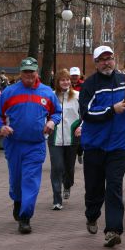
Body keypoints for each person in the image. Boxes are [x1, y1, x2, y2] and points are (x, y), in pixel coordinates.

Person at [79, 45, 125, 248]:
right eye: (102, 59)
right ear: (96, 63)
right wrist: (111, 110)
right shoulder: (90, 85)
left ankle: (113, 230)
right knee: (94, 189)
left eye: (110, 58)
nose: (107, 62)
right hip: (94, 146)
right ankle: (92, 214)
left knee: (115, 188)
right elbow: (86, 114)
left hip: (118, 145)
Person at [0, 57, 62, 234]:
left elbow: (57, 112)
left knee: (30, 181)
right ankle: (18, 202)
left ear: (36, 72)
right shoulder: (9, 92)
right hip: (14, 144)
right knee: (16, 180)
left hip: (35, 145)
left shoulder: (47, 92)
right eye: (25, 72)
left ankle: (25, 218)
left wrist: (52, 122)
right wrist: (1, 127)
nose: (29, 75)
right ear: (20, 73)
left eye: (32, 72)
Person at [48, 69, 81, 210]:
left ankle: (67, 185)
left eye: (67, 79)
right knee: (57, 167)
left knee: (69, 169)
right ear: (57, 82)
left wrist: (82, 128)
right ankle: (57, 198)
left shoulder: (77, 96)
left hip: (72, 138)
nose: (66, 82)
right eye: (62, 80)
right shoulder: (51, 96)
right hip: (55, 138)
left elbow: (85, 114)